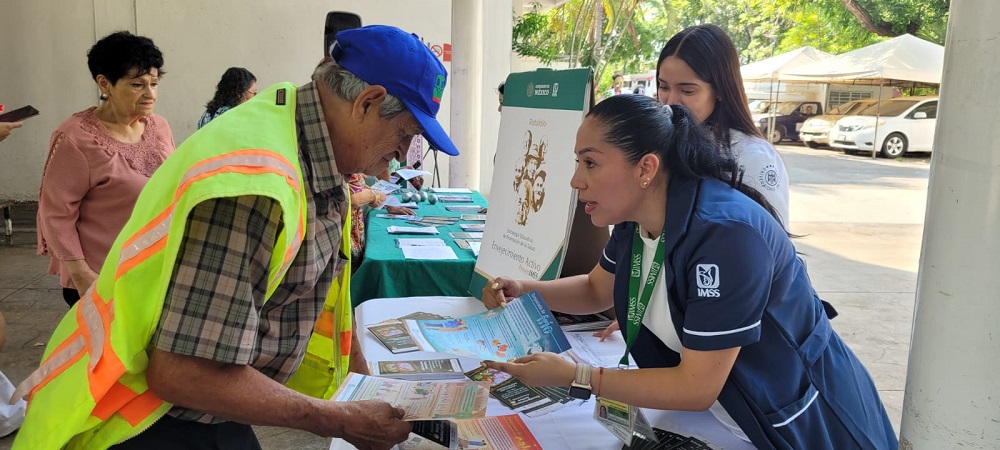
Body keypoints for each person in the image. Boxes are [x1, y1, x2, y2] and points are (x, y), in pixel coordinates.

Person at [14, 25, 460, 450]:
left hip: (201, 405)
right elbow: (185, 372)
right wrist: (340, 419)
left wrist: (364, 385)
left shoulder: (302, 132)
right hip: (145, 417)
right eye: (406, 135)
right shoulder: (256, 187)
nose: (400, 158)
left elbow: (320, 289)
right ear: (367, 102)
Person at [482, 95, 898, 450]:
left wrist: (579, 377)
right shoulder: (636, 217)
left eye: (590, 163)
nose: (576, 181)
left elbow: (697, 387)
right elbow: (596, 290)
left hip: (789, 424)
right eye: (578, 162)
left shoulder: (724, 236)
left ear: (645, 169)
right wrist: (524, 290)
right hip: (723, 411)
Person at [36, 31, 175, 308]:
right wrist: (82, 276)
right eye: (137, 84)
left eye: (154, 83)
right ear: (105, 83)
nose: (150, 94)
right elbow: (54, 215)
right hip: (101, 278)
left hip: (153, 270)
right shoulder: (76, 138)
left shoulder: (158, 127)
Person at [654, 24, 789, 225]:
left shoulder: (753, 156)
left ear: (720, 90)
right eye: (663, 86)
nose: (671, 101)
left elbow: (772, 241)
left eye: (688, 91)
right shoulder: (658, 143)